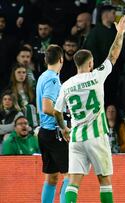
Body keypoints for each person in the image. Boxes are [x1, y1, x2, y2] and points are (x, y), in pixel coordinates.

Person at [53, 16, 125, 203]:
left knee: (73, 182)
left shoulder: (66, 84)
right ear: (89, 64)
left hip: (76, 137)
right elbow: (113, 55)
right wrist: (119, 34)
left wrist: (63, 128)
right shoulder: (96, 77)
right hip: (97, 136)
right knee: (104, 180)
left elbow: (56, 111)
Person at [36, 44, 69, 203]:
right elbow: (47, 107)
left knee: (52, 177)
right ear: (61, 59)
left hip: (44, 133)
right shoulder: (53, 80)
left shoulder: (43, 76)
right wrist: (64, 125)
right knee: (71, 175)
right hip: (55, 133)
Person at [7, 63, 38, 129]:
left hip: (32, 122)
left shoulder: (31, 90)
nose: (21, 75)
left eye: (24, 72)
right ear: (14, 74)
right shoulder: (9, 90)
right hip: (16, 122)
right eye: (19, 72)